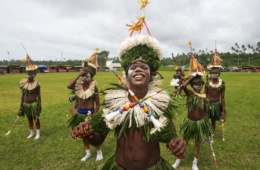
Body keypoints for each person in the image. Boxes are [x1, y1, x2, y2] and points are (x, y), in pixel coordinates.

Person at [71, 34, 186, 169]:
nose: (138, 69)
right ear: (126, 76)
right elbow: (98, 140)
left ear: (151, 76)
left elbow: (171, 138)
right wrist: (88, 133)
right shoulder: (115, 103)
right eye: (133, 67)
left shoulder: (159, 103)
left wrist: (177, 145)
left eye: (144, 67)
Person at [172, 74, 213, 170]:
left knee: (198, 143)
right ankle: (177, 161)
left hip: (200, 124)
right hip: (189, 123)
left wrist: (206, 126)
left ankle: (195, 163)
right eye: (195, 84)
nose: (198, 86)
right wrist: (190, 77)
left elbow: (206, 112)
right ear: (192, 85)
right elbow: (182, 86)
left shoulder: (204, 97)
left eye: (200, 84)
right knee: (184, 142)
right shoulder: (190, 94)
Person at [67, 55, 102, 162]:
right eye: (84, 76)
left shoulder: (93, 87)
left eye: (87, 76)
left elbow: (98, 104)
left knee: (92, 135)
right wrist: (79, 74)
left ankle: (99, 152)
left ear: (92, 77)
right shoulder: (78, 85)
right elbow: (69, 86)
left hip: (89, 114)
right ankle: (88, 153)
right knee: (83, 134)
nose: (85, 78)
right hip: (79, 114)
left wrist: (93, 115)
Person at [18, 55, 41, 140]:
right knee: (29, 118)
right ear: (26, 74)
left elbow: (39, 96)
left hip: (34, 104)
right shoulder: (24, 84)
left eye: (31, 74)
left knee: (36, 118)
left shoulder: (36, 84)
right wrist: (21, 105)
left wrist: (39, 105)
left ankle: (38, 133)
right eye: (28, 74)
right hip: (26, 104)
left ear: (34, 75)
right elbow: (23, 95)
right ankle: (31, 132)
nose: (30, 76)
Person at [205, 67, 226, 132]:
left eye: (216, 73)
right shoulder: (208, 84)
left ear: (219, 74)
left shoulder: (222, 85)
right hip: (208, 104)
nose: (214, 74)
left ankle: (212, 131)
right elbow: (204, 95)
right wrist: (203, 106)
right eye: (213, 73)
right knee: (205, 118)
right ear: (210, 74)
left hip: (216, 104)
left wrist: (223, 110)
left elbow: (222, 98)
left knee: (213, 120)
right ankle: (205, 130)